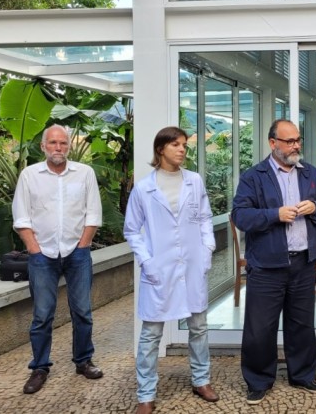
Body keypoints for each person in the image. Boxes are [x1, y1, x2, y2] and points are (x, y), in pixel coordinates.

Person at [232, 119, 316, 405]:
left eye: (297, 140)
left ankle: (303, 375)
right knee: (260, 327)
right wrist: (274, 215)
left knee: (301, 324)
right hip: (266, 265)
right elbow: (240, 216)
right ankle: (258, 380)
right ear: (272, 143)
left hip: (303, 261)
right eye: (289, 141)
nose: (296, 146)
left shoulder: (310, 173)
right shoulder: (254, 176)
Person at [124, 127, 219, 414]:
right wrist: (147, 261)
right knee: (151, 334)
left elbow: (204, 218)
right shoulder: (144, 188)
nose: (182, 150)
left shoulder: (194, 181)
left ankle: (201, 380)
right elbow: (131, 230)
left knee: (199, 327)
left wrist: (207, 249)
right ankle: (146, 393)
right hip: (159, 268)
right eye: (176, 145)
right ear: (160, 149)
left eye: (184, 146)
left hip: (192, 264)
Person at [12, 124, 103, 394]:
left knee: (83, 312)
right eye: (52, 143)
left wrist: (83, 245)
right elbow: (21, 216)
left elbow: (93, 213)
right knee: (42, 315)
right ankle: (40, 367)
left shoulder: (84, 173)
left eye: (63, 143)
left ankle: (83, 361)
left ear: (69, 146)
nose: (58, 148)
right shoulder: (30, 175)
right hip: (42, 254)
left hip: (77, 252)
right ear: (43, 146)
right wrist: (34, 248)